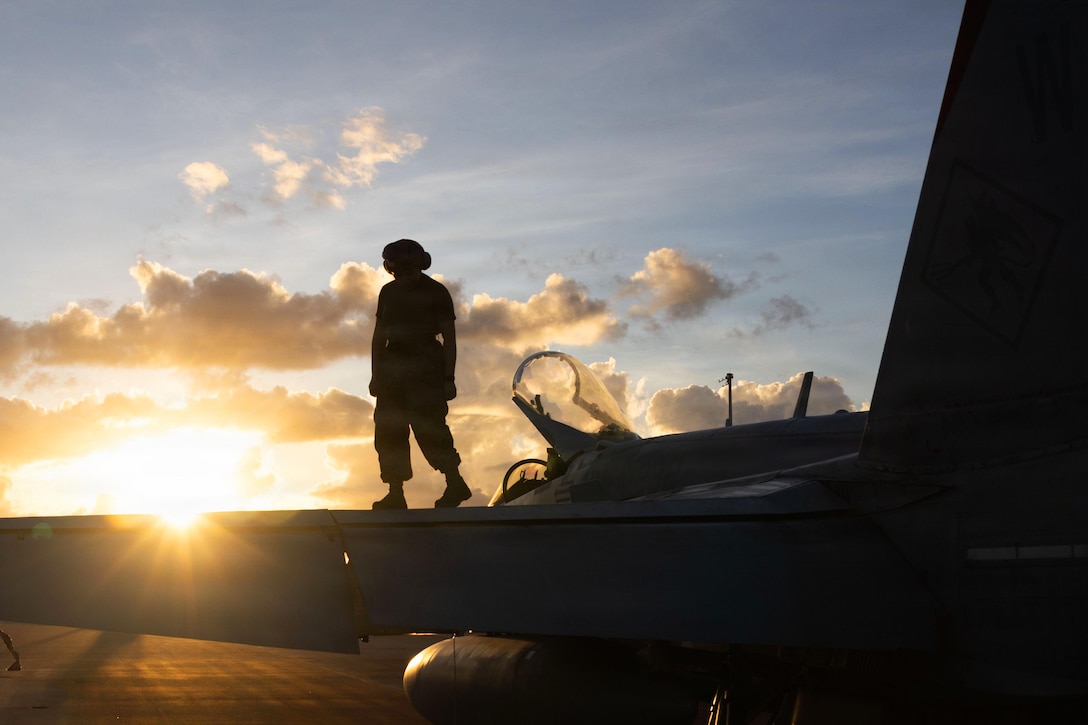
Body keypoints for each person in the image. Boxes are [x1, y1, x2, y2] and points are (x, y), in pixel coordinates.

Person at [369, 239, 472, 509]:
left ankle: (455, 483)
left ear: (420, 266)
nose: (405, 278)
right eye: (399, 273)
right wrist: (376, 375)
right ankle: (395, 492)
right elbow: (379, 336)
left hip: (426, 366)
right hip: (393, 367)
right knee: (389, 429)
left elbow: (449, 338)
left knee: (430, 428)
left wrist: (448, 378)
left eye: (409, 272)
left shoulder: (436, 292)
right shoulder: (388, 292)